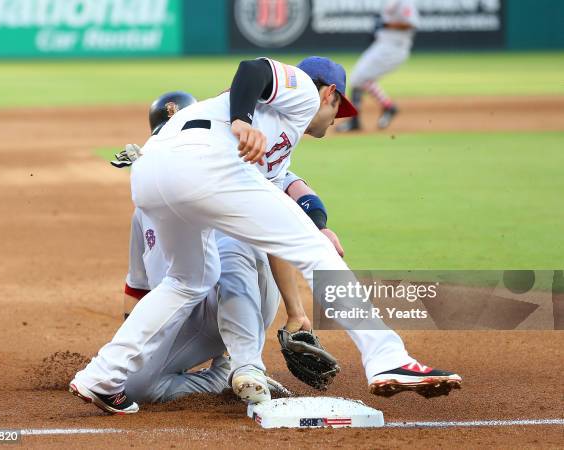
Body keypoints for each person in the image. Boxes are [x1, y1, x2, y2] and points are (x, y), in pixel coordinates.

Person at [71, 56, 461, 415]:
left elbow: (279, 221)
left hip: (151, 170)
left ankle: (102, 375)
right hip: (204, 161)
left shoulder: (277, 152)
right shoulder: (305, 92)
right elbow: (253, 69)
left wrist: (296, 309)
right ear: (330, 94)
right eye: (339, 109)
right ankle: (386, 357)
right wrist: (241, 119)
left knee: (189, 279)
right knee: (315, 250)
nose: (337, 119)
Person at [338, 0, 419, 131]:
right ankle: (388, 107)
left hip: (395, 48)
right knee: (359, 79)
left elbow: (410, 24)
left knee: (357, 79)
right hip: (382, 45)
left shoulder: (405, 2)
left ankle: (355, 121)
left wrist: (386, 25)